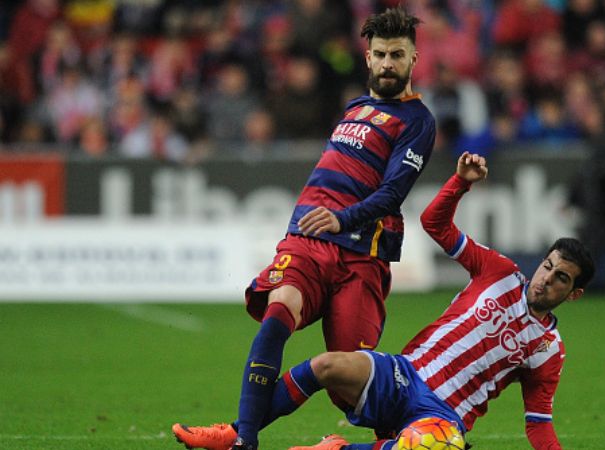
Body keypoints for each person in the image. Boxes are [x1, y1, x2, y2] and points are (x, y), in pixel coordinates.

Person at [191, 152, 594, 450]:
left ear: (573, 294)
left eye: (560, 279)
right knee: (327, 365)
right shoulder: (500, 272)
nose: (546, 280)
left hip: (442, 416)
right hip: (404, 375)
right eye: (547, 266)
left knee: (437, 446)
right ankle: (238, 432)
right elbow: (435, 223)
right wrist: (460, 184)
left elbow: (538, 424)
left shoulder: (547, 351)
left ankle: (337, 449)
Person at [172, 7, 435, 450]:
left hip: (360, 256)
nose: (388, 62)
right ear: (367, 58)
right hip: (308, 241)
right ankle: (243, 439)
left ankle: (398, 438)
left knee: (348, 379)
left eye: (397, 54)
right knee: (278, 315)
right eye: (380, 54)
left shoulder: (418, 121)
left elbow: (393, 193)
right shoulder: (355, 107)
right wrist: (323, 217)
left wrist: (342, 217)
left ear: (413, 58)